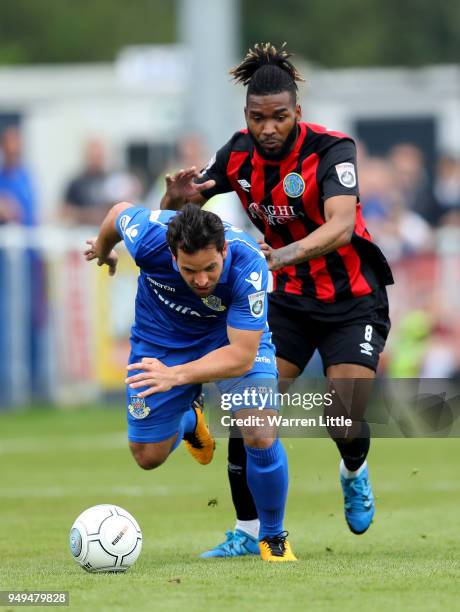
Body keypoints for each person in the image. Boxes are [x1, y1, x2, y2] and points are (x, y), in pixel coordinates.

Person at [160, 43, 394, 557]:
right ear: (246, 116)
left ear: (297, 114)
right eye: (258, 118)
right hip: (286, 301)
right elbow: (179, 221)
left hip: (352, 299)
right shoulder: (236, 154)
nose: (268, 128)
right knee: (251, 412)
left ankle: (353, 468)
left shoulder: (333, 150)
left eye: (280, 117)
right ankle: (246, 533)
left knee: (342, 417)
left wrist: (282, 256)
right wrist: (174, 197)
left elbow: (339, 226)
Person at [84, 201, 296, 562]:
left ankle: (272, 537)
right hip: (160, 340)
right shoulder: (148, 235)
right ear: (171, 253)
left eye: (211, 268)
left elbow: (241, 357)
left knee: (259, 429)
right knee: (147, 456)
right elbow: (118, 213)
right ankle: (189, 420)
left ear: (224, 250)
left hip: (228, 338)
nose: (201, 280)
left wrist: (177, 376)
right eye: (189, 270)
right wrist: (105, 252)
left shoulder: (249, 265)